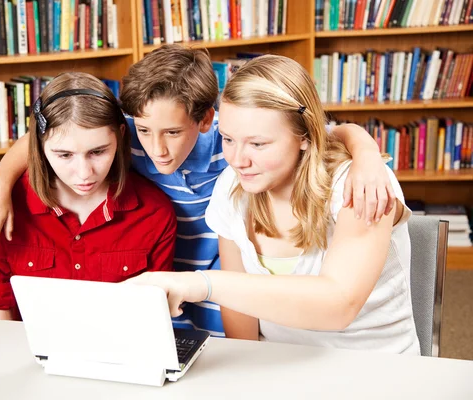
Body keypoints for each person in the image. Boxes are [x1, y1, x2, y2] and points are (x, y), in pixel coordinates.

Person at [0, 45, 397, 336]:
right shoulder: (124, 141)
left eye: (173, 131)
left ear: (206, 120)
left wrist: (367, 150)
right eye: (144, 131)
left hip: (222, 288)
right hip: (169, 282)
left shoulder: (231, 151)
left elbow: (318, 132)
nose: (157, 148)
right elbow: (60, 136)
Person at [127, 55, 420, 354]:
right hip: (279, 364)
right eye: (228, 139)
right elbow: (240, 314)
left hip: (374, 368)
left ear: (304, 135)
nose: (238, 160)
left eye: (258, 144)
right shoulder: (231, 185)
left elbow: (339, 304)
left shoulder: (359, 184)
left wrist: (202, 284)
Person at [0, 72, 177, 320]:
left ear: (120, 135)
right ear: (39, 146)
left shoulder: (154, 213)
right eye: (65, 155)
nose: (84, 173)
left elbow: (150, 318)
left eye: (98, 151)